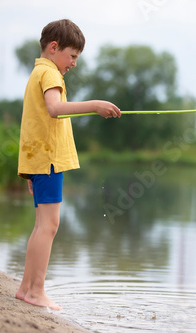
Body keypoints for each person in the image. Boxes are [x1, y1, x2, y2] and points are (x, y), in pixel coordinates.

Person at [15, 19, 121, 310]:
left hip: (39, 159)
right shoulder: (50, 74)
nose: (74, 63)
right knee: (49, 225)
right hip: (47, 160)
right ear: (53, 48)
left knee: (42, 226)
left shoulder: (38, 71)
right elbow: (54, 109)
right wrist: (95, 105)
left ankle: (26, 288)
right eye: (72, 56)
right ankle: (36, 291)